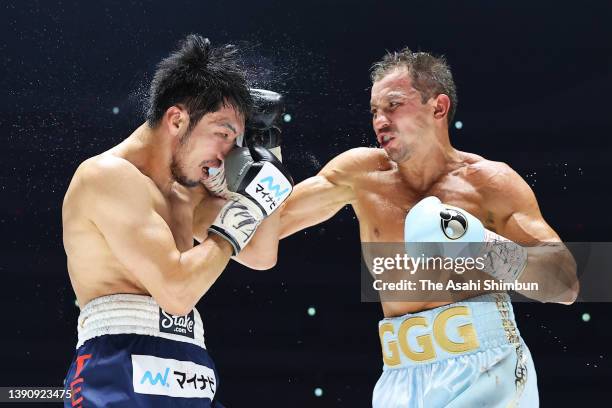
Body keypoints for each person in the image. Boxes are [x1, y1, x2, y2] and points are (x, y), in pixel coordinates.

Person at [279, 48, 578, 407]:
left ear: (438, 107)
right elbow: (264, 230)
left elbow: (565, 285)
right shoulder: (360, 176)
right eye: (374, 110)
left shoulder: (490, 183)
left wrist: (478, 244)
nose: (379, 120)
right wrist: (252, 172)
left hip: (488, 370)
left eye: (393, 105)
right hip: (400, 378)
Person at [61, 34, 292, 407]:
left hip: (191, 367)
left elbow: (262, 255)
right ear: (178, 118)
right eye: (222, 135)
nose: (225, 156)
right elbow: (177, 293)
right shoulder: (104, 177)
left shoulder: (188, 193)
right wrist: (241, 214)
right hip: (116, 368)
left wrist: (269, 153)